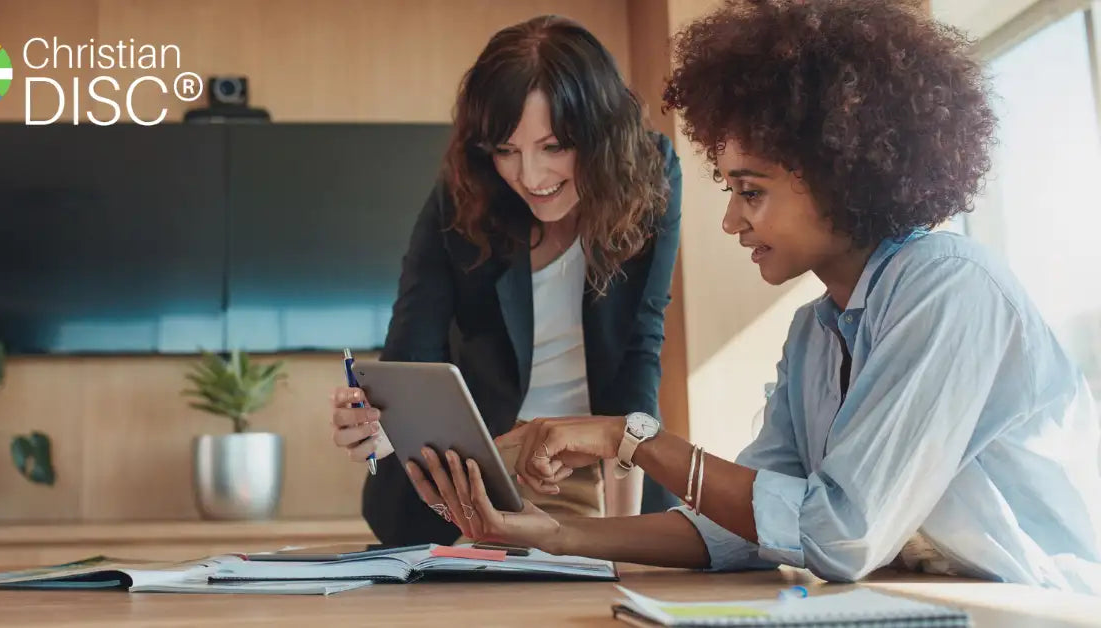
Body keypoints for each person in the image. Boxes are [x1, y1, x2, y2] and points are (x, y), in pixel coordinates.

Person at [405, 0, 1101, 595]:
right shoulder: (815, 336)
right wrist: (557, 535)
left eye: (752, 192)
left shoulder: (948, 288)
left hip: (1037, 606)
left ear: (840, 175)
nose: (731, 220)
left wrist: (631, 437)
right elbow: (743, 527)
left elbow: (838, 534)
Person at [329, 14, 683, 546]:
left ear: (602, 136)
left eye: (555, 146)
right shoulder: (465, 192)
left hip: (606, 470)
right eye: (506, 150)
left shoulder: (650, 174)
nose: (531, 177)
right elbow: (411, 354)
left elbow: (640, 347)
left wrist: (623, 534)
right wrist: (376, 426)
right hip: (473, 480)